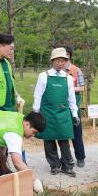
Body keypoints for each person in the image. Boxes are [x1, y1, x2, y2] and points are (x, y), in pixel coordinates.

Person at [33, 47, 79, 177]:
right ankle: (54, 165)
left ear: (66, 62)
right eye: (58, 60)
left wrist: (74, 114)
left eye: (63, 61)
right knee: (49, 140)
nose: (60, 63)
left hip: (63, 114)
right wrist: (36, 113)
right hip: (46, 114)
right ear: (52, 61)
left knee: (64, 140)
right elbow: (37, 95)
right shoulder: (44, 76)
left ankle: (68, 166)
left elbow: (71, 98)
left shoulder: (68, 78)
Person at [64, 46, 86, 168]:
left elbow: (81, 87)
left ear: (70, 56)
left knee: (76, 132)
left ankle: (80, 157)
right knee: (63, 134)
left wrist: (68, 88)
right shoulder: (57, 70)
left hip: (74, 106)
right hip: (60, 107)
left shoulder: (76, 70)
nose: (65, 57)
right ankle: (66, 158)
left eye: (67, 54)